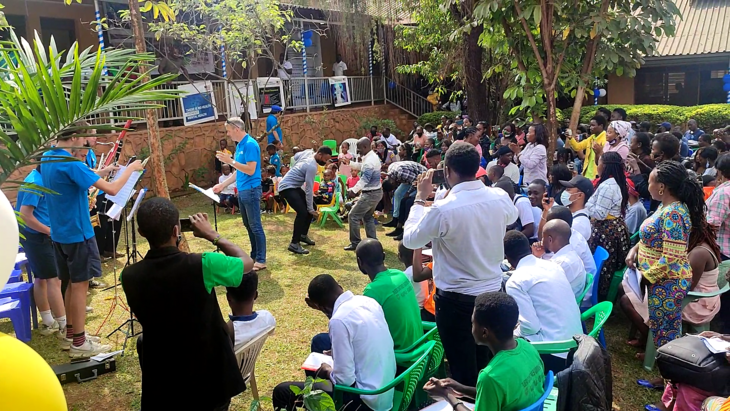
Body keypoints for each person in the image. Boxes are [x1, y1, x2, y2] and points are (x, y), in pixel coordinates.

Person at [403, 142, 518, 387]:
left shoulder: (443, 210)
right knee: (489, 363)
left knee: (462, 369)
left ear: (446, 172)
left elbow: (411, 238)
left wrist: (420, 199)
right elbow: (512, 216)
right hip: (492, 294)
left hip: (456, 302)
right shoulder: (498, 196)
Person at [122, 200, 254, 411]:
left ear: (141, 232)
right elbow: (247, 263)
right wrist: (211, 234)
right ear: (177, 230)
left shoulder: (129, 276)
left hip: (163, 379)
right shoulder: (203, 264)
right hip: (209, 377)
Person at [41, 127, 143, 357]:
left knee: (70, 283)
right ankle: (79, 343)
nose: (86, 143)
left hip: (60, 232)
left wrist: (105, 170)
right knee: (80, 287)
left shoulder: (49, 157)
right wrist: (131, 170)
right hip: (77, 233)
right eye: (84, 138)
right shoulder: (71, 164)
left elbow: (79, 179)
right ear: (75, 137)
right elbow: (113, 188)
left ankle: (71, 334)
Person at [273, 274, 396, 411]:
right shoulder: (367, 301)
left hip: (366, 401)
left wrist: (327, 371)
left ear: (323, 308)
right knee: (320, 342)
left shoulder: (339, 320)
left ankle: (322, 401)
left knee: (282, 392)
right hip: (385, 389)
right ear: (340, 287)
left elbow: (345, 380)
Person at [625, 160, 704, 349]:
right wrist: (634, 250)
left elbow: (671, 256)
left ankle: (671, 375)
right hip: (657, 279)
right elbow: (650, 238)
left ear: (661, 187)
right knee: (660, 328)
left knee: (666, 332)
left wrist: (647, 277)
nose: (646, 186)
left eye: (650, 182)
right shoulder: (664, 207)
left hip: (668, 282)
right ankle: (662, 364)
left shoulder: (674, 214)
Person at [423, 292, 545, 411]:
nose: (471, 327)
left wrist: (447, 396)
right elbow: (501, 393)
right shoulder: (528, 348)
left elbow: (493, 385)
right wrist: (461, 388)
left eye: (472, 323)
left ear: (484, 332)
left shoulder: (491, 376)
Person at [504, 230, 583, 373]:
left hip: (555, 355)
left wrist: (512, 333)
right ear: (529, 248)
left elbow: (530, 327)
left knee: (503, 343)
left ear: (507, 258)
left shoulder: (515, 282)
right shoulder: (553, 266)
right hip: (577, 347)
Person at [15, 166, 67, 339]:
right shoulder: (34, 183)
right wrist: (49, 231)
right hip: (36, 236)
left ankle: (48, 321)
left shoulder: (41, 178)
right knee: (53, 279)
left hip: (38, 235)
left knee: (42, 278)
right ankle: (64, 327)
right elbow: (25, 215)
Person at [214, 117, 267, 271]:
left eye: (229, 131)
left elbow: (250, 169)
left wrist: (230, 161)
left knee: (255, 225)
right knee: (248, 224)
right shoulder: (240, 146)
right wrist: (222, 185)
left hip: (251, 189)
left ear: (237, 129)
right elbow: (238, 171)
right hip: (243, 190)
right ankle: (254, 256)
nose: (228, 134)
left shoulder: (250, 144)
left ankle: (261, 259)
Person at [357, 239, 422, 350]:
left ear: (359, 262)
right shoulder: (400, 275)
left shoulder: (372, 291)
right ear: (383, 256)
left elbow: (366, 332)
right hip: (419, 348)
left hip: (402, 355)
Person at [584, 152, 632, 301]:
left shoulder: (607, 186)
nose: (597, 166)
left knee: (603, 267)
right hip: (614, 228)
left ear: (604, 166)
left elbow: (600, 213)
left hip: (606, 232)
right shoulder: (616, 183)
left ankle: (599, 297)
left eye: (598, 162)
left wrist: (586, 205)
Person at [277, 146, 333, 255]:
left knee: (312, 206)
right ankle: (294, 243)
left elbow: (296, 156)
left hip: (294, 186)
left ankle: (302, 235)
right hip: (286, 187)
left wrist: (297, 167)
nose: (325, 162)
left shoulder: (308, 152)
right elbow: (308, 189)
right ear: (320, 154)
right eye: (325, 159)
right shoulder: (312, 166)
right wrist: (310, 209)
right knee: (303, 212)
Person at [345, 137, 383, 251]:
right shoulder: (371, 157)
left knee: (353, 216)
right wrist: (350, 163)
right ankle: (373, 241)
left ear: (366, 147)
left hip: (370, 194)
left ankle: (355, 243)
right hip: (376, 192)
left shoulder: (370, 160)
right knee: (368, 217)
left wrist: (353, 190)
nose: (358, 151)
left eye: (359, 148)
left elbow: (365, 179)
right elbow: (363, 168)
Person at [532, 219, 586, 299]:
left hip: (559, 306)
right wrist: (537, 256)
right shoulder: (569, 254)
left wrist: (534, 258)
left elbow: (538, 286)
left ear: (550, 240)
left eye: (543, 237)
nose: (541, 241)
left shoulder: (562, 263)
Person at [226, 271, 276, 352]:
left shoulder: (226, 334)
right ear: (256, 295)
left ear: (228, 297)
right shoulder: (267, 319)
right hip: (250, 364)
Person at [382, 161, 427, 238]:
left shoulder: (401, 174)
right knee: (397, 194)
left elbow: (415, 181)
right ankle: (396, 221)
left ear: (393, 182)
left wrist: (408, 193)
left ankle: (406, 228)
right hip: (409, 179)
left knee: (407, 201)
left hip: (422, 179)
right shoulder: (391, 173)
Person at [397, 241, 430, 320]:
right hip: (424, 308)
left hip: (415, 312)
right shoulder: (424, 270)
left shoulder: (405, 276)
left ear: (399, 256)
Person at [557, 175, 594, 241]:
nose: (564, 192)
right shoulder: (570, 213)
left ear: (580, 195)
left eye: (568, 190)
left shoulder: (579, 224)